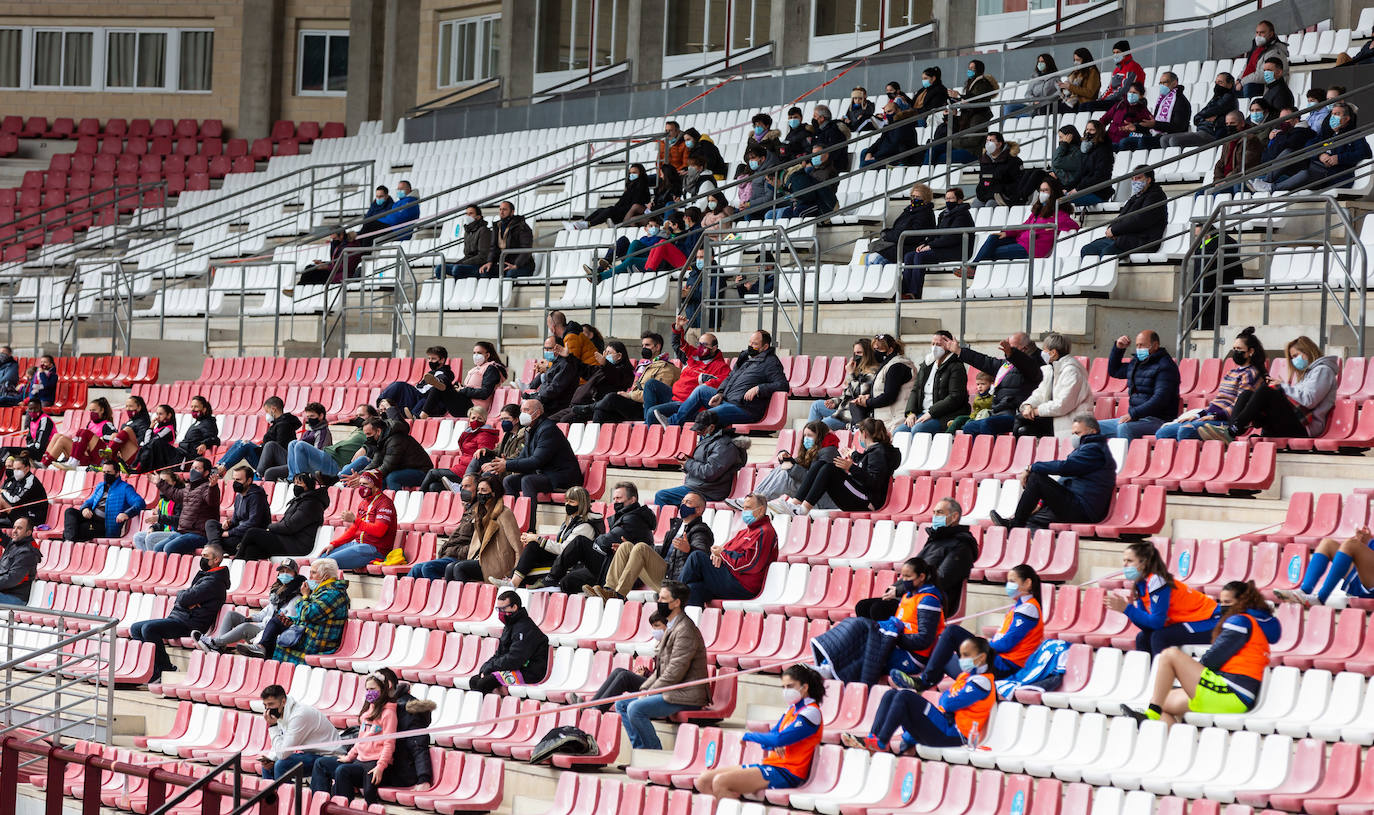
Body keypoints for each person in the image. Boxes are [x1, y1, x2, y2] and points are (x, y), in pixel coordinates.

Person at [1121, 580, 1279, 724]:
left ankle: (1151, 715)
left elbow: (1213, 659)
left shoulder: (1240, 622)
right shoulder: (1247, 622)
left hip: (1232, 691)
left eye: (1228, 602)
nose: (1223, 607)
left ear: (1242, 602)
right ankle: (1174, 746)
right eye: (1221, 602)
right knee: (1161, 701)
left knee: (1169, 655)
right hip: (1233, 694)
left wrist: (1187, 674)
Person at [899, 564, 1044, 692]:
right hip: (997, 661)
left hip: (1004, 666)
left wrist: (983, 645)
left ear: (1027, 583)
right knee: (942, 652)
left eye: (1012, 581)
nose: (1008, 585)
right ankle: (927, 680)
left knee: (951, 632)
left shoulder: (1028, 609)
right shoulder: (1020, 607)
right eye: (1007, 581)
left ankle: (925, 681)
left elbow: (1006, 644)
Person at [842, 635, 995, 753]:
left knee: (905, 696)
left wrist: (949, 699)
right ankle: (872, 738)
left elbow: (948, 703)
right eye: (960, 655)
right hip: (943, 725)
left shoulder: (983, 682)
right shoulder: (965, 676)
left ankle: (882, 742)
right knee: (891, 694)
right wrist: (949, 699)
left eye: (966, 655)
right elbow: (944, 700)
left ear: (981, 658)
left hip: (955, 734)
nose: (961, 660)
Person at [695, 665, 825, 798]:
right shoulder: (792, 709)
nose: (786, 691)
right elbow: (771, 739)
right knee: (703, 780)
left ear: (805, 687)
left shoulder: (811, 712)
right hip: (772, 765)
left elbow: (777, 739)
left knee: (720, 782)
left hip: (788, 772)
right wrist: (774, 741)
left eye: (790, 686)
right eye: (784, 687)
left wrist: (750, 736)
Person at [812, 556, 944, 685]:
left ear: (921, 577)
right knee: (859, 629)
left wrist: (891, 637)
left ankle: (830, 669)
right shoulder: (907, 597)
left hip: (912, 658)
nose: (904, 580)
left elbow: (924, 640)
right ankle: (827, 665)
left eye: (908, 577)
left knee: (868, 644)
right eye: (903, 576)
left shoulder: (929, 601)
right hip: (899, 647)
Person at [611, 581, 710, 749]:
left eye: (663, 598)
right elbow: (660, 671)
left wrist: (649, 692)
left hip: (686, 694)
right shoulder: (672, 626)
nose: (659, 602)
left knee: (635, 708)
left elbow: (674, 672)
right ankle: (641, 751)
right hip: (673, 691)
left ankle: (653, 752)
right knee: (622, 704)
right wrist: (644, 689)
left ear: (676, 602)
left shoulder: (685, 630)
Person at [1203, 335, 1338, 443]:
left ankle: (1231, 431)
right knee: (1246, 394)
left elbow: (1309, 400)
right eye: (1292, 358)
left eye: (1296, 355)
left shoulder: (1323, 370)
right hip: (1293, 421)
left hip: (1305, 428)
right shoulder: (1308, 373)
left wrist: (1282, 387)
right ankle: (1231, 431)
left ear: (1308, 351)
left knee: (1266, 391)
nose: (1294, 361)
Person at [990, 415, 1115, 530]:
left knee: (1036, 478)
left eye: (1078, 433)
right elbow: (1065, 481)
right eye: (1073, 433)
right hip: (1076, 504)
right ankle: (1027, 543)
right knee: (1032, 519)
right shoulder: (1086, 448)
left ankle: (1014, 525)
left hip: (1083, 509)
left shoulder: (1094, 450)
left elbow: (1065, 467)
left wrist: (1032, 467)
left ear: (1093, 431)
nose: (1074, 437)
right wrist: (1041, 502)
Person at [130, 542, 229, 684]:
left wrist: (184, 596)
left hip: (190, 624)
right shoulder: (206, 576)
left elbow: (183, 599)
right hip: (181, 618)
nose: (202, 559)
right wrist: (186, 598)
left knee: (149, 629)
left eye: (206, 556)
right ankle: (152, 669)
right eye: (202, 555)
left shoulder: (214, 581)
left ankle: (166, 668)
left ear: (216, 560)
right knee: (135, 628)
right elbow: (186, 599)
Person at [654, 330, 788, 427]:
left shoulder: (771, 362)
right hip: (728, 399)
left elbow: (783, 385)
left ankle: (678, 430)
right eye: (750, 342)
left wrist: (759, 388)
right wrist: (720, 393)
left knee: (705, 417)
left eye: (755, 344)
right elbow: (730, 378)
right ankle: (673, 422)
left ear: (765, 347)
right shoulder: (747, 359)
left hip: (744, 408)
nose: (750, 346)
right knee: (701, 390)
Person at [1107, 541, 1219, 655]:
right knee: (1142, 637)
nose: (1124, 565)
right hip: (1194, 621)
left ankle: (1161, 672)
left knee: (1160, 637)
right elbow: (1146, 626)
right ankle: (1149, 672)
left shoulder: (1157, 581)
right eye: (1124, 560)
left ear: (1144, 563)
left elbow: (1157, 623)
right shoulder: (1140, 584)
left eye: (1129, 561)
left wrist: (1128, 609)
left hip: (1212, 621)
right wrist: (1128, 610)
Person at [544, 481, 655, 593]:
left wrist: (599, 540)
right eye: (614, 498)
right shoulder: (627, 516)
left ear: (632, 500)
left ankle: (551, 578)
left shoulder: (633, 519)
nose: (615, 501)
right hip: (613, 564)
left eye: (619, 498)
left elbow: (605, 542)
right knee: (567, 581)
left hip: (627, 572)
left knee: (580, 542)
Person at [772, 418, 900, 515]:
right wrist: (851, 464)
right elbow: (867, 469)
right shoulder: (876, 452)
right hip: (862, 495)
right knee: (821, 464)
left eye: (859, 434)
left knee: (829, 469)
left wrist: (851, 468)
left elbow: (874, 482)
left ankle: (802, 509)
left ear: (864, 434)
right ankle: (795, 504)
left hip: (868, 501)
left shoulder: (879, 453)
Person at [596, 493, 712, 600]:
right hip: (664, 572)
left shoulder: (701, 530)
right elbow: (663, 551)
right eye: (682, 502)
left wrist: (689, 549)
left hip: (675, 580)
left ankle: (619, 594)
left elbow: (701, 556)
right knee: (626, 546)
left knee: (641, 547)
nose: (683, 505)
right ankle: (609, 589)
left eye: (688, 502)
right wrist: (633, 548)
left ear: (699, 510)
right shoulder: (676, 527)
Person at [1158, 328, 1265, 440]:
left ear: (1250, 351)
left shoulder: (1251, 374)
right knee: (1162, 433)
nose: (1235, 352)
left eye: (1239, 349)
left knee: (1186, 432)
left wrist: (1214, 416)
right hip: (1211, 416)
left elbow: (1240, 407)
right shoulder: (1231, 373)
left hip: (1225, 421)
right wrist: (1198, 415)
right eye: (1234, 349)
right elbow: (1217, 402)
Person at [963, 177, 1079, 277]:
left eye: (1046, 190)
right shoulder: (1038, 210)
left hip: (1032, 248)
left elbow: (1074, 225)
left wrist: (1056, 226)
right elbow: (1025, 226)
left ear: (1053, 192)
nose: (1042, 193)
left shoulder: (1058, 213)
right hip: (1021, 241)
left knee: (993, 252)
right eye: (1041, 190)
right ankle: (973, 268)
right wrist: (1007, 233)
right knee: (993, 238)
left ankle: (973, 269)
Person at [309, 671, 397, 802]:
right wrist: (349, 757)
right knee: (321, 763)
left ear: (383, 690)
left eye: (372, 689)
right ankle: (321, 804)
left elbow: (389, 744)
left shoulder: (389, 713)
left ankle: (341, 808)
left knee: (342, 771)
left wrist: (380, 766)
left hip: (373, 764)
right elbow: (360, 741)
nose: (369, 692)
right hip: (359, 761)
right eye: (367, 689)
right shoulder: (367, 712)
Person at [490, 485, 596, 588]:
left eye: (571, 502)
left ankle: (512, 584)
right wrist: (533, 539)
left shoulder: (585, 526)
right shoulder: (570, 521)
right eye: (566, 501)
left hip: (570, 567)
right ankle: (512, 583)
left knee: (522, 574)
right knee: (532, 547)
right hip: (559, 560)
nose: (567, 505)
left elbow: (564, 550)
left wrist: (538, 539)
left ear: (582, 504)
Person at [936, 332, 1042, 436]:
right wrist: (959, 351)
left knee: (987, 424)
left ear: (1024, 349)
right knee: (969, 427)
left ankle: (995, 453)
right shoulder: (1007, 365)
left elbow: (1027, 365)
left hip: (1016, 414)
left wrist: (1012, 354)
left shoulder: (1035, 365)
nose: (1006, 350)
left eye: (1011, 347)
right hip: (998, 412)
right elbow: (985, 361)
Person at [679, 493, 776, 606]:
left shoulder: (765, 532)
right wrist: (717, 555)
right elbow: (725, 550)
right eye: (743, 508)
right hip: (729, 578)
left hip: (743, 585)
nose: (744, 511)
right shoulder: (744, 532)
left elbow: (750, 564)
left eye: (748, 508)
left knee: (697, 557)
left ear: (761, 510)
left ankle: (671, 595)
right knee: (692, 589)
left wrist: (722, 554)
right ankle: (685, 621)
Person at [197, 559, 305, 656]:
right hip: (263, 624)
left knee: (245, 627)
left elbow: (282, 622)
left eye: (288, 571)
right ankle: (218, 647)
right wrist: (252, 618)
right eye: (282, 571)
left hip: (269, 632)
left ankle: (214, 642)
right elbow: (266, 612)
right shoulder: (278, 592)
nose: (284, 574)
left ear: (295, 574)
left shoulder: (296, 597)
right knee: (231, 615)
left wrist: (256, 624)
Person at [1258, 103, 1372, 192]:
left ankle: (1272, 188)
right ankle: (1266, 181)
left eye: (1337, 114)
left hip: (1330, 174)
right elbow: (1309, 145)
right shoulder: (1328, 134)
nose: (1333, 117)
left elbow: (1365, 153)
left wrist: (1339, 158)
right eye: (1332, 114)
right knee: (1289, 152)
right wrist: (1320, 154)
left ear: (1347, 119)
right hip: (1314, 165)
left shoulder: (1354, 135)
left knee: (1306, 174)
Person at [485, 398, 581, 498]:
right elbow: (523, 457)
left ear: (537, 413)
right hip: (547, 474)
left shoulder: (548, 429)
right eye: (521, 411)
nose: (522, 414)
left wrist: (507, 465)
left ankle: (529, 513)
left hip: (562, 476)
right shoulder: (530, 430)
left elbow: (537, 461)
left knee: (528, 480)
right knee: (509, 480)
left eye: (526, 410)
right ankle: (514, 512)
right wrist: (501, 464)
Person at [655, 410, 750, 509]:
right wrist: (687, 464)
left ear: (712, 427)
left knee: (662, 496)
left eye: (701, 430)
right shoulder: (712, 440)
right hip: (700, 487)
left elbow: (709, 472)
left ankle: (667, 524)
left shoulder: (724, 445)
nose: (699, 433)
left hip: (709, 491)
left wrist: (688, 463)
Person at [1099, 330, 1182, 440]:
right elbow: (1115, 370)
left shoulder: (1166, 366)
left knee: (1125, 428)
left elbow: (1160, 399)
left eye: (1142, 345)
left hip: (1158, 419)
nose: (1139, 349)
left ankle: (1127, 457)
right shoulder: (1136, 363)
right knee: (1092, 427)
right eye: (1137, 345)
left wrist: (1134, 414)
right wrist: (1119, 349)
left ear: (1155, 345)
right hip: (1136, 418)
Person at [442, 474, 521, 584]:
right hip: (480, 560)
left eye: (484, 490)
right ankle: (453, 599)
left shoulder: (505, 513)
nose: (479, 493)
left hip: (498, 563)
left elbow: (517, 546)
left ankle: (466, 599)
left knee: (460, 567)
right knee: (450, 567)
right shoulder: (479, 512)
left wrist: (514, 574)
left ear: (494, 493)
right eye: (478, 490)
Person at [272, 558, 350, 664]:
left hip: (317, 645)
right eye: (310, 572)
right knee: (276, 626)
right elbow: (309, 616)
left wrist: (304, 596)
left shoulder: (333, 594)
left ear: (326, 576)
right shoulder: (323, 591)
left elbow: (308, 615)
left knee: (277, 646)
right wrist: (292, 620)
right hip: (310, 636)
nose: (310, 577)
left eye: (313, 573)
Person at [135, 459, 221, 555]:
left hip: (199, 534)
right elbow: (175, 494)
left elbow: (212, 501)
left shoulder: (208, 487)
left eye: (197, 468)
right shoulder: (189, 487)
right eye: (192, 467)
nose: (192, 470)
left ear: (206, 473)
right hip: (184, 532)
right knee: (158, 547)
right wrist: (159, 482)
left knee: (169, 548)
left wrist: (213, 487)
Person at [900, 188, 976, 298]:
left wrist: (931, 246)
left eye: (951, 198)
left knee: (920, 257)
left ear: (960, 200)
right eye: (947, 198)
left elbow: (952, 238)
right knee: (909, 256)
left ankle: (915, 293)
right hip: (943, 248)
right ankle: (905, 292)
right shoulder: (943, 214)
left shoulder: (962, 215)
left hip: (957, 250)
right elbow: (936, 233)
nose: (948, 201)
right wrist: (925, 243)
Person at [469, 591, 549, 693]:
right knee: (475, 680)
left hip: (529, 673)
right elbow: (500, 653)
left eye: (503, 609)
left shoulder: (525, 628)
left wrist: (491, 668)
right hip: (516, 668)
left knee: (484, 683)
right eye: (498, 609)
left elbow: (515, 658)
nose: (500, 613)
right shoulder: (510, 625)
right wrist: (486, 667)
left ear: (514, 607)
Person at [1015, 333, 1093, 438]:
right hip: (1053, 419)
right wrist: (1028, 406)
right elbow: (1039, 394)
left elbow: (1062, 405)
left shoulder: (1072, 371)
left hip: (1069, 422)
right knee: (1021, 423)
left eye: (1045, 350)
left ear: (1053, 353)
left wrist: (1036, 411)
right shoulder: (1050, 369)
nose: (1042, 353)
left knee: (1022, 425)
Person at [256, 683, 338, 781]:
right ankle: (270, 796)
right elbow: (280, 745)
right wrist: (270, 759)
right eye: (265, 705)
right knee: (268, 767)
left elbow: (283, 754)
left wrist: (273, 726)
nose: (268, 709)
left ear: (283, 701)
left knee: (281, 765)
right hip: (313, 754)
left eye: (271, 704)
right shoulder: (283, 712)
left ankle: (285, 796)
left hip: (329, 756)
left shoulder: (299, 715)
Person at [751, 422, 842, 510]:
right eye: (805, 435)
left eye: (809, 435)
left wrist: (791, 467)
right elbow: (798, 464)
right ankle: (755, 497)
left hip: (821, 500)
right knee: (781, 468)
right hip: (813, 497)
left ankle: (757, 501)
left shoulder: (829, 452)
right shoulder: (814, 450)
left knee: (786, 475)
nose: (806, 439)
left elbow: (814, 480)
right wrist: (785, 456)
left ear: (819, 436)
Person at [1080, 166, 1167, 257]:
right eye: (1133, 178)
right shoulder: (1135, 197)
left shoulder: (1156, 196)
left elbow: (1140, 220)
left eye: (1138, 178)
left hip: (1143, 240)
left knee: (1108, 253)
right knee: (1088, 250)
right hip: (1124, 238)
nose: (1134, 181)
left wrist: (1115, 230)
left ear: (1148, 180)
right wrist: (1111, 229)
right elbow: (1121, 216)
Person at [1280, 525, 1374, 607]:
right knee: (1327, 543)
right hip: (1363, 576)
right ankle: (1304, 591)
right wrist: (1366, 542)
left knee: (1350, 545)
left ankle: (1320, 598)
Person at [897, 332, 969, 435]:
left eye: (939, 345)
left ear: (949, 345)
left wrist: (931, 412)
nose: (935, 347)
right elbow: (916, 390)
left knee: (918, 430)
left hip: (945, 416)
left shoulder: (956, 367)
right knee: (899, 432)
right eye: (933, 344)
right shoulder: (927, 364)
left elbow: (955, 397)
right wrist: (911, 413)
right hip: (923, 413)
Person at [326, 471, 396, 570]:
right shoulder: (364, 503)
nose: (362, 487)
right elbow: (354, 529)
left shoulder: (385, 503)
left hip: (375, 549)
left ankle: (337, 585)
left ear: (376, 486)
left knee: (326, 564)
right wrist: (334, 544)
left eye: (365, 484)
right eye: (361, 484)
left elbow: (379, 531)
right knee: (320, 559)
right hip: (360, 545)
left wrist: (355, 520)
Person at [62, 460, 145, 542]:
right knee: (70, 511)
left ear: (117, 473)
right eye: (104, 472)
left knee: (81, 528)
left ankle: (68, 540)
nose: (106, 475)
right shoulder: (100, 486)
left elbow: (140, 503)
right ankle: (70, 539)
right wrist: (85, 508)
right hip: (91, 517)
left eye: (108, 472)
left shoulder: (125, 488)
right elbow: (89, 501)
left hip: (105, 526)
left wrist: (127, 514)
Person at [915, 498, 979, 605]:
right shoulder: (934, 539)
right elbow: (913, 568)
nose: (935, 517)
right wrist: (896, 588)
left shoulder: (962, 545)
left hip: (932, 601)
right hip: (915, 594)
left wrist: (903, 589)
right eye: (934, 513)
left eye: (939, 513)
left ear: (954, 517)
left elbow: (942, 578)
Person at [215, 396, 301, 473]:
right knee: (240, 442)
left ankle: (223, 468)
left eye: (267, 411)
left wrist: (258, 448)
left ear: (273, 409)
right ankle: (219, 465)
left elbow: (278, 447)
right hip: (266, 458)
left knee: (246, 445)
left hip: (271, 463)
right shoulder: (278, 423)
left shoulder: (283, 425)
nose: (266, 414)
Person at [807, 339, 879, 429]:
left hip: (850, 415)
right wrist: (835, 401)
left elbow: (858, 397)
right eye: (855, 353)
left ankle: (810, 438)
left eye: (859, 353)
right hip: (843, 409)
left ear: (868, 354)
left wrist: (851, 375)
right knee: (816, 405)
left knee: (817, 427)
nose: (857, 356)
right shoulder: (858, 370)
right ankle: (808, 439)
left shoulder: (872, 373)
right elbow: (847, 395)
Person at [347, 418, 432, 490]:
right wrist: (361, 474)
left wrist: (364, 477)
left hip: (422, 471)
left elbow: (388, 467)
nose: (367, 437)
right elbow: (375, 463)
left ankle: (396, 506)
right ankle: (379, 505)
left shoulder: (395, 440)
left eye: (369, 434)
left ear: (378, 431)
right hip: (404, 469)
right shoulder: (381, 440)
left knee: (392, 477)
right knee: (380, 479)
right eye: (366, 435)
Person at [866, 183, 936, 269]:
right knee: (868, 257)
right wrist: (887, 233)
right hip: (898, 245)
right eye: (912, 196)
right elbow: (897, 229)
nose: (914, 199)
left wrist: (888, 235)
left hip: (909, 248)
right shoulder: (908, 210)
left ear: (925, 199)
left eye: (917, 197)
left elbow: (912, 236)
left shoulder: (925, 213)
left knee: (876, 260)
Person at [1164, 72, 1241, 147]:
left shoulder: (1229, 98)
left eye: (1220, 82)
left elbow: (1210, 111)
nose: (1217, 85)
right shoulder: (1216, 98)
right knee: (1164, 139)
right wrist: (1203, 118)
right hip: (1202, 130)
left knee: (1174, 140)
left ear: (1230, 84)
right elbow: (1199, 116)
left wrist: (1201, 117)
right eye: (1216, 83)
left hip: (1212, 134)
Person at [207, 466, 269, 555]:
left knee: (214, 541)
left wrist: (229, 533)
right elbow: (236, 520)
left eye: (238, 480)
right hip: (237, 531)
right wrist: (228, 523)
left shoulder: (256, 497)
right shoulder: (239, 496)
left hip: (248, 535)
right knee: (211, 524)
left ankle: (215, 546)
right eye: (234, 479)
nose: (235, 482)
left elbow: (253, 522)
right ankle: (217, 546)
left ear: (249, 481)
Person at [42, 397, 114, 469]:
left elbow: (113, 438)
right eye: (90, 410)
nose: (91, 413)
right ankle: (43, 461)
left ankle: (46, 464)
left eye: (94, 410)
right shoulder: (90, 423)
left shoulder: (107, 424)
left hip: (92, 457)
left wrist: (100, 438)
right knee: (57, 436)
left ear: (102, 410)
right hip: (81, 453)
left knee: (63, 440)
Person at [1209, 111, 1263, 194]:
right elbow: (1220, 163)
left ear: (1242, 123)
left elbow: (1245, 165)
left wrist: (1226, 180)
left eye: (1232, 123)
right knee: (1200, 193)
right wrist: (1218, 180)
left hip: (1239, 179)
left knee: (1218, 192)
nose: (1229, 126)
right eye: (1227, 124)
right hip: (1225, 181)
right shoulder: (1228, 140)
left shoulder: (1250, 139)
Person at [479, 200, 535, 278]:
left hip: (523, 265)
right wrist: (490, 262)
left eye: (504, 209)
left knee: (510, 274)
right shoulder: (497, 226)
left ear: (512, 212)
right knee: (485, 272)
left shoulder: (522, 227)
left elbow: (526, 249)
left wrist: (516, 265)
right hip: (505, 265)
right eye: (500, 209)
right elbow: (493, 248)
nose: (501, 212)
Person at [1065, 121, 1114, 206]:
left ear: (1099, 132)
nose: (1088, 132)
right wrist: (1067, 188)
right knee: (1054, 196)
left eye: (1092, 130)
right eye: (1087, 129)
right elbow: (1080, 174)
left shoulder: (1104, 151)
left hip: (1098, 193)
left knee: (1059, 200)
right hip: (1085, 191)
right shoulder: (1088, 151)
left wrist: (1078, 189)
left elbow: (1099, 176)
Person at [438, 204, 492, 279]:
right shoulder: (467, 232)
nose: (467, 216)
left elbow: (483, 256)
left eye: (471, 213)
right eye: (466, 213)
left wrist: (463, 264)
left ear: (478, 217)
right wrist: (459, 263)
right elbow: (467, 255)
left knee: (457, 269)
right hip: (468, 263)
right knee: (439, 268)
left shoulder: (484, 231)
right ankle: (444, 289)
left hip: (479, 265)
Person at [1090, 41, 1145, 112]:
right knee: (1086, 105)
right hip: (1113, 100)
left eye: (1118, 52)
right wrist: (1100, 99)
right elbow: (1110, 88)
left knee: (1089, 106)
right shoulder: (1117, 69)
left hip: (1123, 101)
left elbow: (1124, 89)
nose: (1115, 55)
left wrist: (1106, 99)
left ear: (1125, 53)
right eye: (1114, 52)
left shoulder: (1133, 66)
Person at [860, 100, 916, 168]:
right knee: (864, 152)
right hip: (885, 155)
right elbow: (880, 141)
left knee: (865, 164)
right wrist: (869, 152)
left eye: (889, 111)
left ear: (898, 111)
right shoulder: (889, 126)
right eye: (885, 113)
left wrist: (876, 157)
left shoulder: (903, 125)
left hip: (896, 159)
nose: (887, 115)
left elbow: (894, 146)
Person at [973, 132, 1024, 207]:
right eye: (987, 141)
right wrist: (980, 193)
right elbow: (982, 181)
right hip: (986, 195)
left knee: (989, 205)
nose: (988, 143)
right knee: (974, 206)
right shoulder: (984, 160)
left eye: (991, 141)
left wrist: (1001, 192)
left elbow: (1018, 182)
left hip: (1004, 197)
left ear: (999, 144)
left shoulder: (1013, 160)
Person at [1239, 20, 1288, 96]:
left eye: (1262, 32)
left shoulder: (1275, 51)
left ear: (1271, 34)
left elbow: (1264, 75)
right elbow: (1247, 66)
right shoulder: (1256, 49)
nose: (1258, 35)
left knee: (1248, 87)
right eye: (1257, 32)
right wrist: (1239, 79)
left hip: (1266, 86)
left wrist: (1242, 82)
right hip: (1248, 82)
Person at [0, 454, 46, 529]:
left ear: (27, 468)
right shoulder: (18, 479)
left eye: (18, 469)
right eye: (14, 469)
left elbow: (14, 500)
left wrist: (3, 492)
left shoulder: (30, 481)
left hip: (33, 517)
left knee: (1, 499)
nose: (15, 471)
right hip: (20, 512)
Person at [0, 518, 39, 605]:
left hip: (15, 597)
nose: (14, 531)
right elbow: (2, 538)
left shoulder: (27, 553)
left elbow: (11, 579)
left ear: (28, 533)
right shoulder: (14, 544)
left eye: (19, 528)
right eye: (14, 527)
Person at [1099, 82, 1151, 148]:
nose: (1131, 94)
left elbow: (1147, 128)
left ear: (1141, 96)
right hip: (1109, 139)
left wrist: (1135, 127)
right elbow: (1104, 119)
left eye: (1134, 93)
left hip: (1124, 143)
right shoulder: (1119, 105)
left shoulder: (1143, 111)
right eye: (1130, 92)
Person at [177, 395, 221, 462]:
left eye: (196, 407)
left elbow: (214, 438)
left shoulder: (208, 423)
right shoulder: (197, 422)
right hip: (181, 450)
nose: (193, 409)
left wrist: (205, 444)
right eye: (192, 406)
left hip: (185, 455)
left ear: (204, 409)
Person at [1057, 48, 1101, 112]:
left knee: (1055, 109)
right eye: (1074, 60)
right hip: (1071, 101)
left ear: (1085, 60)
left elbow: (1090, 93)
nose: (1075, 62)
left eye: (1078, 60)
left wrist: (1070, 87)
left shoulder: (1092, 72)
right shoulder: (1075, 72)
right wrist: (1063, 87)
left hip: (1081, 103)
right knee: (1052, 107)